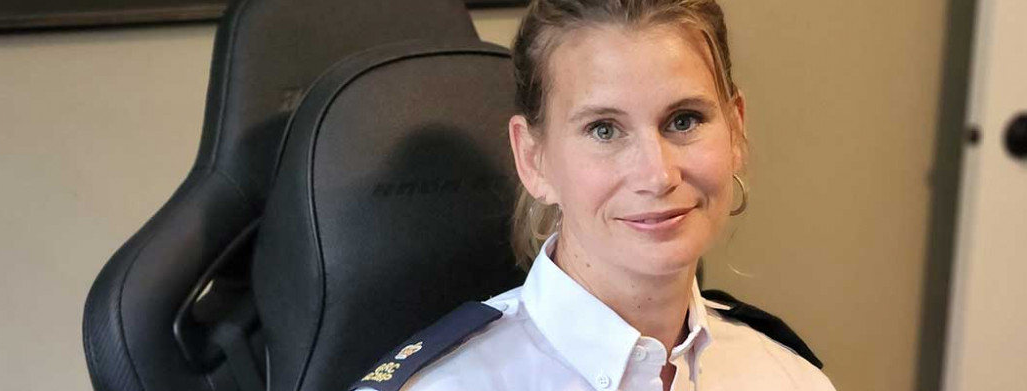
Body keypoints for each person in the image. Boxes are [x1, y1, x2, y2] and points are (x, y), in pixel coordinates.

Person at [353, 0, 835, 390]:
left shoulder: (789, 376)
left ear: (735, 130)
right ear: (533, 158)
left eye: (684, 120)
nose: (657, 174)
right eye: (604, 129)